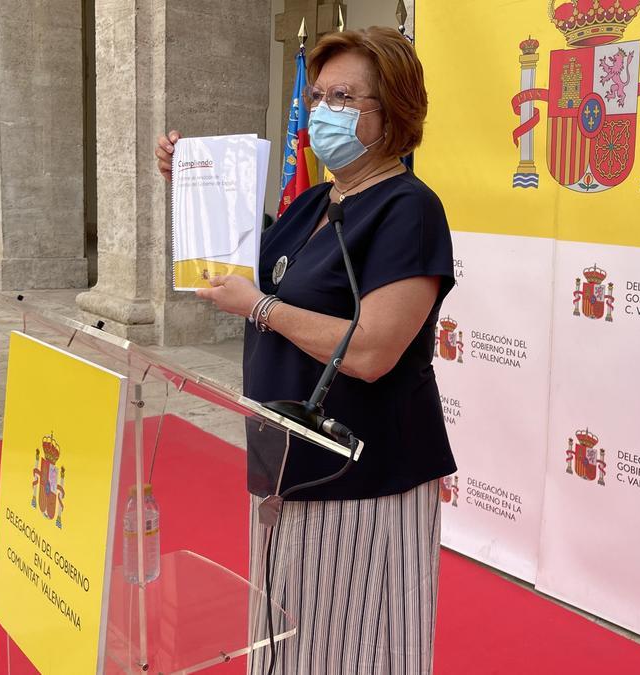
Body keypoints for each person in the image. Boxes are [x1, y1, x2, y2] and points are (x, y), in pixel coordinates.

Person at [155, 26, 455, 675]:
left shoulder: (410, 209)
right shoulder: (320, 199)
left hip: (362, 472)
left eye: (342, 97)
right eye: (318, 95)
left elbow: (373, 349)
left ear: (391, 112)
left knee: (351, 645)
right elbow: (248, 256)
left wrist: (261, 307)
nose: (321, 112)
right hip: (286, 456)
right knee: (287, 635)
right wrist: (190, 182)